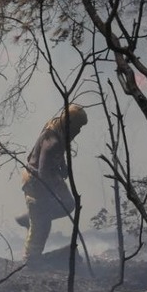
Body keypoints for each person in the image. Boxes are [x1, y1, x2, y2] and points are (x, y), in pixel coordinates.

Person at [15, 104, 88, 260]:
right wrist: (50, 197)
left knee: (68, 203)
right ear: (70, 123)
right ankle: (30, 258)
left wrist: (62, 167)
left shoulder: (57, 128)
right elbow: (42, 172)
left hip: (51, 176)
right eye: (78, 126)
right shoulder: (52, 141)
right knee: (42, 224)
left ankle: (32, 216)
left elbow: (58, 154)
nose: (79, 131)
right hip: (37, 181)